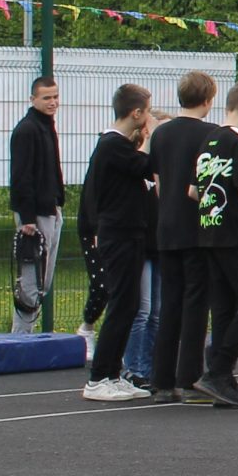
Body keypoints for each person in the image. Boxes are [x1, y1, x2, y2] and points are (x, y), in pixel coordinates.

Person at [76, 84, 157, 401]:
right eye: (147, 111)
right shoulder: (112, 145)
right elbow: (148, 166)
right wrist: (152, 139)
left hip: (131, 232)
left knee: (130, 304)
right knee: (121, 303)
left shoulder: (118, 147)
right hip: (118, 234)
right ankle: (98, 378)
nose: (149, 117)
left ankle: (112, 372)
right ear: (136, 113)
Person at [147, 71, 223, 402]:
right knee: (196, 304)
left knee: (170, 303)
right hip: (197, 228)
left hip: (167, 224)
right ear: (209, 99)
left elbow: (159, 177)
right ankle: (190, 377)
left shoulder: (161, 134)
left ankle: (162, 378)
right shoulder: (212, 134)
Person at [187, 82, 238, 407]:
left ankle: (224, 382)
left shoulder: (209, 139)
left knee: (223, 307)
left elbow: (192, 192)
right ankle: (217, 372)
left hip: (208, 231)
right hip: (234, 233)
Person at [8, 74, 64, 333]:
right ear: (33, 99)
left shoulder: (46, 126)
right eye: (46, 98)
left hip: (51, 208)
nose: (52, 102)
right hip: (35, 214)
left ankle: (27, 335)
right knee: (31, 279)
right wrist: (27, 218)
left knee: (44, 279)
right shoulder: (27, 129)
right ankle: (20, 337)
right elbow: (21, 177)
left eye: (55, 97)